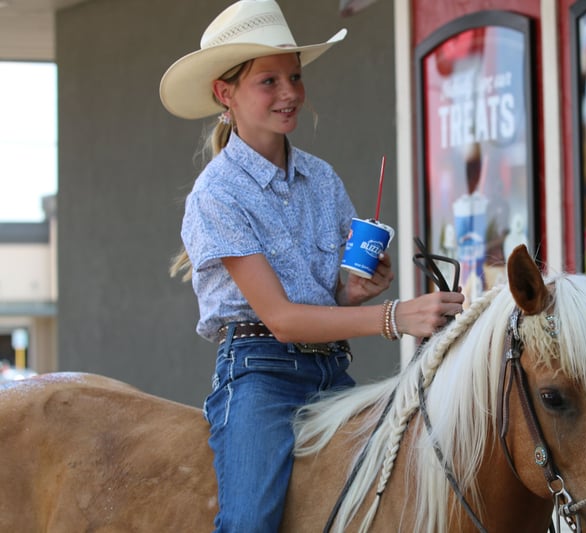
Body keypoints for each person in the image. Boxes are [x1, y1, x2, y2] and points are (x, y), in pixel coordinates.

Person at [158, 1, 464, 531]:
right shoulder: (216, 193)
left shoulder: (321, 179)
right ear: (225, 94)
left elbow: (320, 300)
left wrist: (351, 294)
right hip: (259, 373)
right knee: (251, 523)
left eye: (295, 77)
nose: (290, 93)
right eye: (269, 81)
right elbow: (281, 319)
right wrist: (396, 316)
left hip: (331, 370)